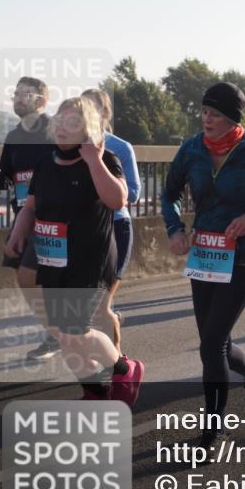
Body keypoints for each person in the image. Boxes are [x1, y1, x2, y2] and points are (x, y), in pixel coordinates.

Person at [162, 82, 245, 452]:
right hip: (205, 253)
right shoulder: (191, 149)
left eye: (214, 113)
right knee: (214, 343)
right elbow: (169, 194)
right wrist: (174, 228)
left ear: (233, 118)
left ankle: (213, 430)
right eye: (204, 112)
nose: (206, 119)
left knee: (213, 342)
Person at [3, 97, 144, 404]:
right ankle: (96, 392)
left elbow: (118, 200)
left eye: (73, 123)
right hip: (53, 260)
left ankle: (125, 368)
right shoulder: (46, 163)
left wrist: (94, 161)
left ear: (88, 128)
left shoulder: (105, 159)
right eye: (60, 121)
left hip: (90, 260)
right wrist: (18, 232)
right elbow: (31, 206)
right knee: (62, 334)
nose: (63, 128)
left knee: (73, 332)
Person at [0, 77, 57, 361]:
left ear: (41, 101)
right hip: (22, 217)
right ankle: (57, 331)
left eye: (24, 94)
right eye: (15, 94)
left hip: (51, 217)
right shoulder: (13, 136)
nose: (17, 98)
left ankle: (62, 332)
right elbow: (7, 179)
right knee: (23, 275)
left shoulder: (55, 131)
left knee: (32, 276)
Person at [82, 88, 140, 352]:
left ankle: (118, 362)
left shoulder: (120, 147)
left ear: (104, 114)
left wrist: (103, 182)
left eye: (91, 107)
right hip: (85, 228)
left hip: (115, 226)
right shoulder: (72, 146)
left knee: (101, 306)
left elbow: (134, 193)